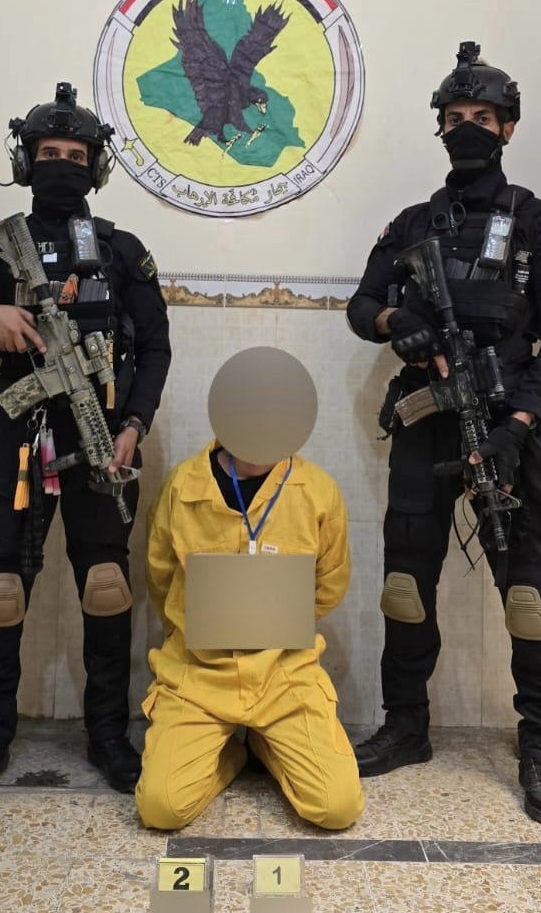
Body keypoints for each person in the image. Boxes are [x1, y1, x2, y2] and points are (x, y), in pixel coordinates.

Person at [0, 81, 171, 808]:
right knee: (0, 591)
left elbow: (155, 348)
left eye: (76, 156)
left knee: (106, 586)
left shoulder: (121, 251)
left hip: (102, 440)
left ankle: (108, 735)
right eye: (49, 153)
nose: (62, 166)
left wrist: (134, 425)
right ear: (26, 161)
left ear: (95, 167)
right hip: (13, 440)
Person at [346, 42, 541, 824]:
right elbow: (362, 306)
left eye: (482, 116)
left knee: (528, 596)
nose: (467, 129)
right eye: (454, 118)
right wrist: (398, 321)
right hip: (427, 423)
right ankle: (405, 726)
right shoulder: (414, 223)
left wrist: (519, 420)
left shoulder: (539, 225)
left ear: (508, 127)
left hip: (508, 426)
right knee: (405, 585)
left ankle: (540, 750)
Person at [135, 347, 364, 831]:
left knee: (337, 807)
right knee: (160, 808)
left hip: (285, 674)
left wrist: (277, 625)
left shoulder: (318, 492)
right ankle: (231, 757)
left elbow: (329, 584)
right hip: (198, 675)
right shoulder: (183, 487)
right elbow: (161, 578)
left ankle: (264, 741)